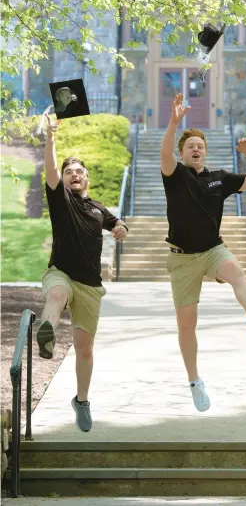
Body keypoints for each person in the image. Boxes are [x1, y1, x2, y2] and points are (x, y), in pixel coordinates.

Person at [160, 93, 246, 412]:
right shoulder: (175, 176)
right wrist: (173, 122)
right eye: (190, 146)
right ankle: (195, 381)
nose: (195, 149)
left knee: (237, 274)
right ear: (183, 153)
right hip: (182, 259)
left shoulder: (219, 179)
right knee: (187, 325)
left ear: (205, 153)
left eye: (200, 146)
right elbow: (165, 153)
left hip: (213, 249)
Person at [36, 114, 129, 432]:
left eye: (79, 171)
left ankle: (82, 400)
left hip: (90, 284)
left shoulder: (97, 207)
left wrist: (119, 227)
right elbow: (49, 168)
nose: (73, 175)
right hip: (60, 272)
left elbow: (115, 221)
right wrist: (50, 137)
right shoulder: (60, 199)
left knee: (84, 349)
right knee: (58, 293)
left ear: (86, 177)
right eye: (68, 172)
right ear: (62, 179)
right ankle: (45, 334)